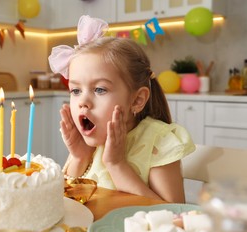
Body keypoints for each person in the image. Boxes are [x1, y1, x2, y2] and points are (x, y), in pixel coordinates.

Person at [48, 15, 195, 203]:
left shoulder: (158, 142)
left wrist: (116, 164)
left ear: (137, 100)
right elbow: (65, 203)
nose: (83, 102)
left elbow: (173, 215)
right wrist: (79, 156)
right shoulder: (89, 143)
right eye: (76, 90)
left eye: (100, 89)